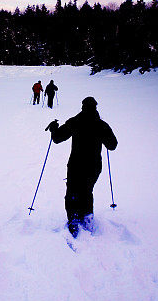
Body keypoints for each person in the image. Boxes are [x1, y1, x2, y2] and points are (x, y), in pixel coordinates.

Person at [46, 97, 117, 237]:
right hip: (94, 165)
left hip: (76, 165)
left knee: (73, 191)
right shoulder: (102, 125)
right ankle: (87, 217)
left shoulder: (75, 122)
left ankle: (73, 219)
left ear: (83, 107)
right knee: (87, 191)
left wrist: (54, 129)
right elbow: (112, 145)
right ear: (95, 108)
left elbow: (57, 139)